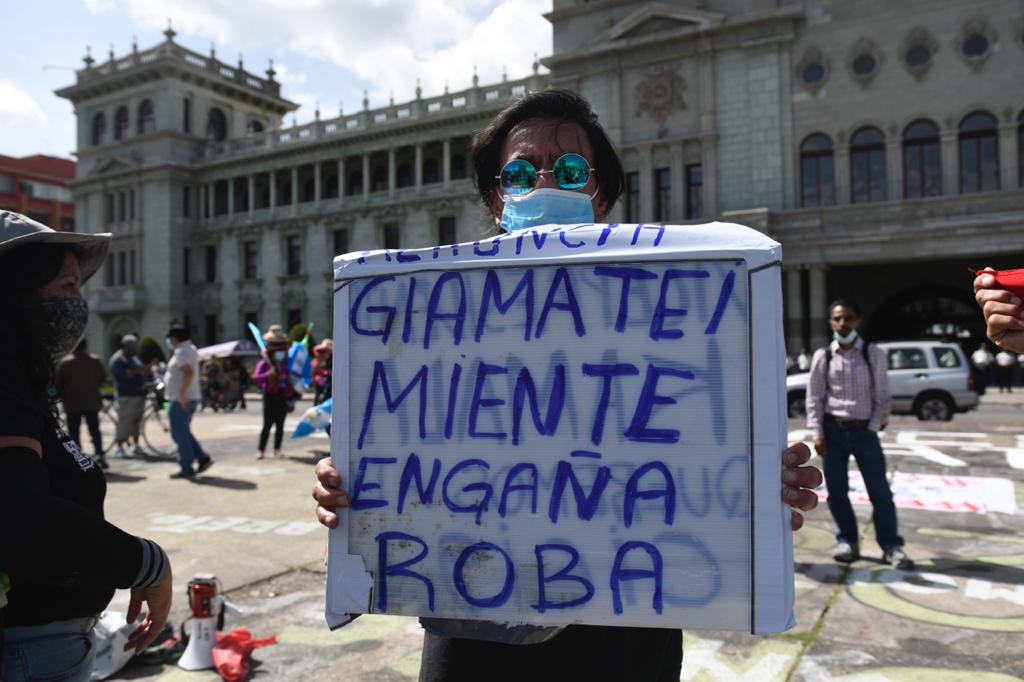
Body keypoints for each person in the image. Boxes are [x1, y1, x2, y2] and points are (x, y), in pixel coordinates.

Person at [311, 90, 823, 681]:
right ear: (498, 199)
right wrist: (348, 486)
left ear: (599, 195)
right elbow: (399, 446)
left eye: (571, 170)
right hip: (474, 638)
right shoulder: (425, 321)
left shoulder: (678, 308)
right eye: (523, 173)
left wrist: (756, 488)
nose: (547, 184)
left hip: (625, 635)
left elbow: (708, 451)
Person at [0, 211, 171, 681]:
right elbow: (19, 515)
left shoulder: (25, 375)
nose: (79, 302)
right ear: (18, 290)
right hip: (28, 650)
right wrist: (147, 563)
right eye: (67, 287)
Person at [805, 298, 912, 570]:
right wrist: (818, 433)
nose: (843, 324)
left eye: (848, 318)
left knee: (880, 492)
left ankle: (891, 545)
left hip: (864, 431)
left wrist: (873, 426)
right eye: (838, 318)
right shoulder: (823, 356)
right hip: (833, 432)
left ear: (858, 321)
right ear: (830, 322)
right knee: (837, 491)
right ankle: (848, 541)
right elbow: (814, 398)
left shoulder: (873, 353)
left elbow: (883, 396)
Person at [164, 324, 213, 479]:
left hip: (181, 399)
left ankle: (186, 467)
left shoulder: (182, 351)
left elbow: (188, 372)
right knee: (184, 432)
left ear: (175, 338)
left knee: (179, 434)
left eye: (170, 338)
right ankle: (202, 458)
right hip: (186, 397)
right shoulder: (190, 349)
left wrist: (182, 394)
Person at [56, 339, 108, 469]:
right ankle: (100, 454)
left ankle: (77, 458)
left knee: (74, 433)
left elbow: (59, 384)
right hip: (92, 401)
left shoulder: (65, 363)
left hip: (73, 403)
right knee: (95, 430)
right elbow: (103, 379)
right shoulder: (95, 361)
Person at [252, 325, 296, 459]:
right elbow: (255, 378)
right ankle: (261, 450)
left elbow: (288, 379)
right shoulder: (264, 363)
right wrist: (268, 374)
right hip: (269, 396)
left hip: (281, 396)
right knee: (267, 424)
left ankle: (277, 449)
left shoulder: (284, 364)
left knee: (280, 425)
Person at [108, 334, 152, 458]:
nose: (135, 349)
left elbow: (139, 370)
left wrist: (146, 370)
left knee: (137, 422)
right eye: (133, 347)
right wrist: (141, 370)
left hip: (139, 394)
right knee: (125, 422)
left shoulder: (134, 358)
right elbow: (123, 376)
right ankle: (120, 447)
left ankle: (136, 445)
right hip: (126, 395)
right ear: (126, 346)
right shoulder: (118, 359)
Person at [312, 338, 333, 406]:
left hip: (328, 386)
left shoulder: (332, 359)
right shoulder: (319, 358)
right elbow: (313, 372)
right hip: (321, 383)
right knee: (318, 397)